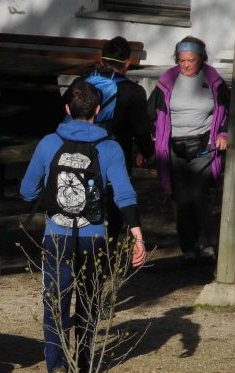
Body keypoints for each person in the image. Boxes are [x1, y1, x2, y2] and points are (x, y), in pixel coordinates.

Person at [21, 79, 147, 373]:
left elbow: (27, 191)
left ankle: (57, 371)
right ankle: (84, 362)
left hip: (57, 235)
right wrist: (137, 235)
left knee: (55, 304)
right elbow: (124, 193)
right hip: (93, 238)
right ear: (99, 111)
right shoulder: (110, 147)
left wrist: (43, 194)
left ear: (67, 109)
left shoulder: (49, 143)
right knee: (88, 301)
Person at [148, 36, 229, 265]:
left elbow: (226, 112)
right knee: (180, 199)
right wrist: (155, 138)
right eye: (181, 60)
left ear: (201, 59)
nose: (185, 65)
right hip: (174, 148)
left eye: (191, 60)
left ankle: (207, 244)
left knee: (198, 196)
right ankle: (188, 247)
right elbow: (153, 112)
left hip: (204, 146)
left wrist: (223, 134)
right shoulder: (168, 80)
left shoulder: (213, 80)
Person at [78, 36, 155, 241]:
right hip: (115, 153)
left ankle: (83, 243)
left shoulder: (82, 83)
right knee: (114, 201)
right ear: (128, 63)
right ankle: (107, 245)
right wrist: (147, 152)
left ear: (101, 60)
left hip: (79, 151)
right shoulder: (133, 91)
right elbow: (140, 128)